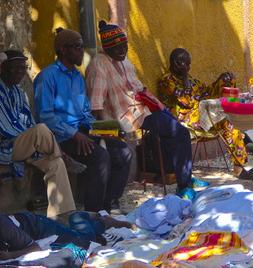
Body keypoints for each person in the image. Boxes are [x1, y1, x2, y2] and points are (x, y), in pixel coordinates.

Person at [86, 20, 207, 200]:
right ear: (107, 48)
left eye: (125, 46)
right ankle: (184, 184)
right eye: (118, 48)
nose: (123, 51)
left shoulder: (125, 61)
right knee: (179, 133)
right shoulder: (99, 65)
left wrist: (158, 105)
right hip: (124, 119)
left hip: (142, 112)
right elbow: (96, 105)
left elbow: (139, 88)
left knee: (178, 129)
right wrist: (102, 134)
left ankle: (184, 176)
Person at [34, 28, 132, 212]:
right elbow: (45, 117)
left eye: (82, 47)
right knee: (100, 157)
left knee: (123, 150)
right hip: (59, 137)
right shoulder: (47, 77)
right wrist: (74, 134)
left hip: (81, 129)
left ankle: (110, 203)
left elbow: (85, 112)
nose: (82, 52)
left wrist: (107, 128)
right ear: (63, 49)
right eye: (78, 47)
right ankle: (93, 212)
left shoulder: (77, 77)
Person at [0, 50, 75, 218]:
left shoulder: (18, 92)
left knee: (55, 163)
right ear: (3, 68)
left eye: (23, 68)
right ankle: (62, 154)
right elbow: (8, 129)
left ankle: (60, 215)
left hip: (20, 145)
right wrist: (36, 140)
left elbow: (28, 123)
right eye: (15, 68)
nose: (20, 72)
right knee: (41, 130)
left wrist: (38, 143)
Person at [158, 48, 250, 179]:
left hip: (202, 115)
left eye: (189, 64)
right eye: (186, 64)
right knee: (226, 118)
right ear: (176, 63)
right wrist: (184, 77)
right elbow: (187, 101)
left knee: (229, 118)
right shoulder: (167, 81)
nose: (188, 68)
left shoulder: (190, 79)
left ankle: (239, 167)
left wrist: (222, 80)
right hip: (186, 120)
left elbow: (207, 92)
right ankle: (239, 168)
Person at [0, 211, 131, 266]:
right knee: (86, 238)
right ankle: (97, 228)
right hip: (34, 237)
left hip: (40, 228)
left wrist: (6, 256)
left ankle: (97, 219)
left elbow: (35, 248)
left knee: (86, 241)